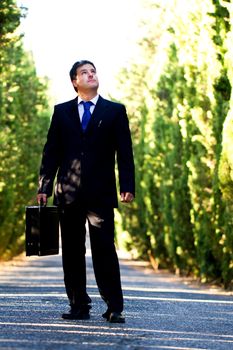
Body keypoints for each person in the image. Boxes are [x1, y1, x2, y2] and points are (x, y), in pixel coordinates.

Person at [37, 60, 135, 323]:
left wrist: (127, 185)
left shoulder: (114, 111)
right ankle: (78, 305)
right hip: (67, 194)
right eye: (84, 72)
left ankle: (114, 306)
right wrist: (44, 186)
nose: (90, 75)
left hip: (101, 193)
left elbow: (125, 152)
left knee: (104, 249)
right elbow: (52, 152)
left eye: (93, 71)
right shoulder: (61, 112)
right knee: (71, 251)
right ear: (74, 81)